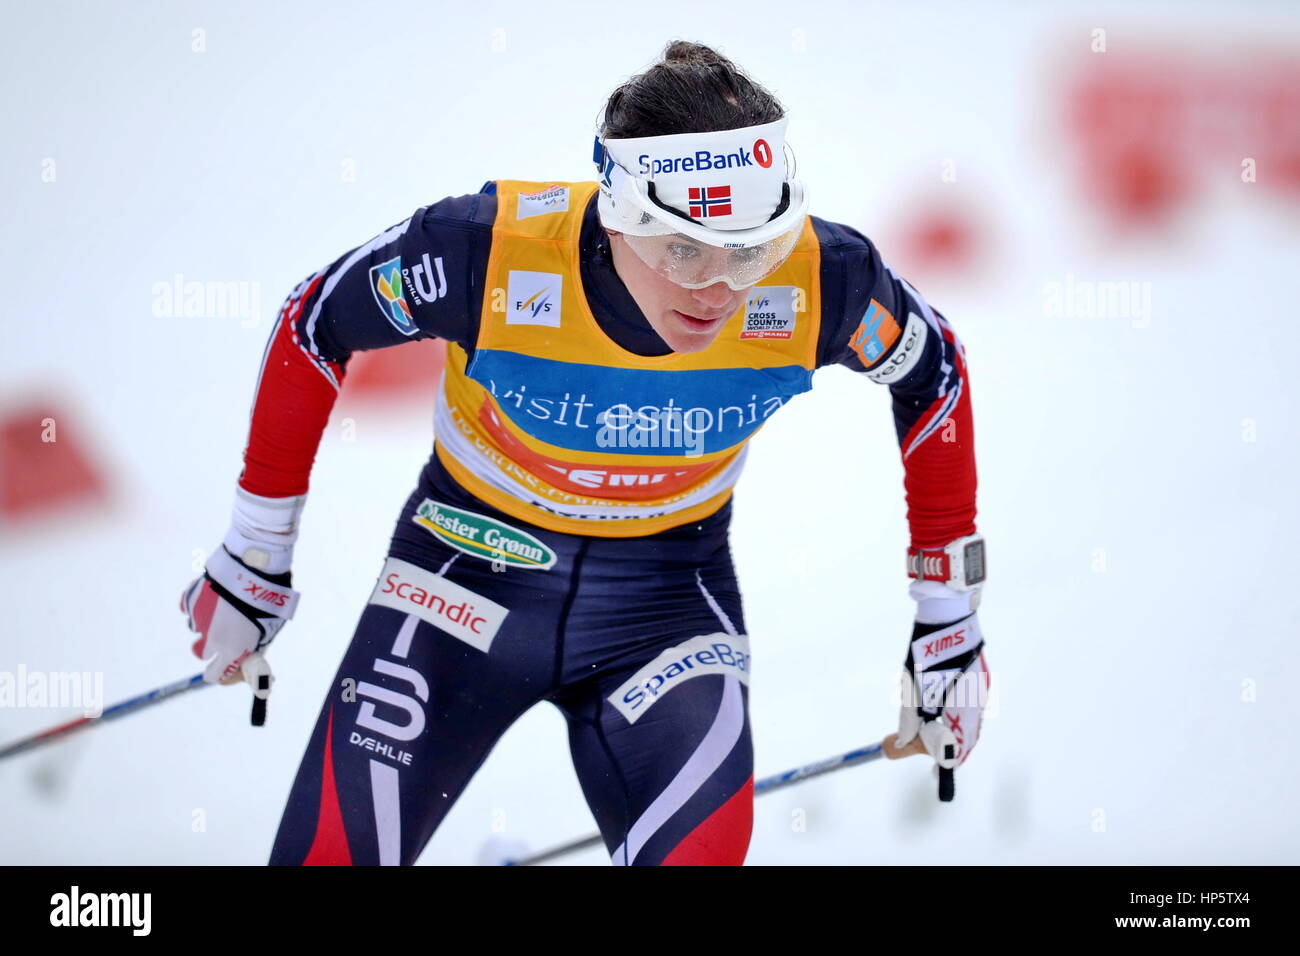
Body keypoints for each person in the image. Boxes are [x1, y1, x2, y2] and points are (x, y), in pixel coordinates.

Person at [179, 40, 989, 866]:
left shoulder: (822, 280)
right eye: (684, 250)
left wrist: (948, 619)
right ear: (619, 215)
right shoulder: (486, 252)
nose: (718, 289)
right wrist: (256, 550)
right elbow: (315, 322)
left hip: (666, 611)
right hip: (460, 577)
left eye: (751, 250)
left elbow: (937, 374)